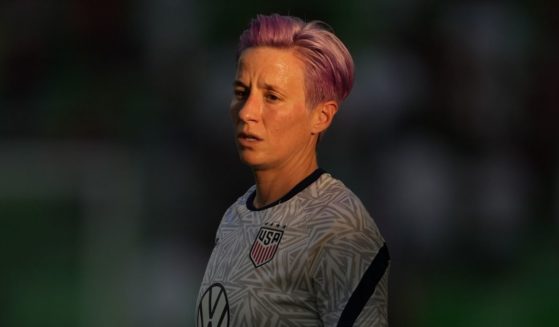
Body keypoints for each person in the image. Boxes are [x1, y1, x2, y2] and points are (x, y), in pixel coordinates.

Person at [196, 14, 389, 327]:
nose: (247, 112)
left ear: (322, 116)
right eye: (242, 92)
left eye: (272, 97)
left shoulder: (339, 227)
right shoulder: (234, 216)